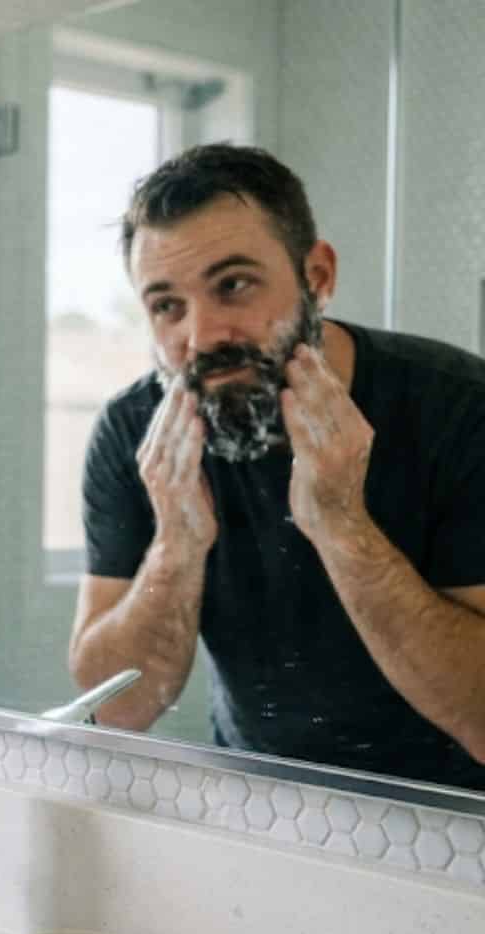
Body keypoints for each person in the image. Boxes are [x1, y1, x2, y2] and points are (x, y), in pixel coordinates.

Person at [69, 143, 485, 790]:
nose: (203, 336)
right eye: (167, 306)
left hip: (450, 822)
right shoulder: (136, 433)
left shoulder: (459, 410)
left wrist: (341, 523)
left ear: (317, 276)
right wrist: (177, 545)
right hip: (262, 811)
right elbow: (113, 708)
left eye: (233, 285)